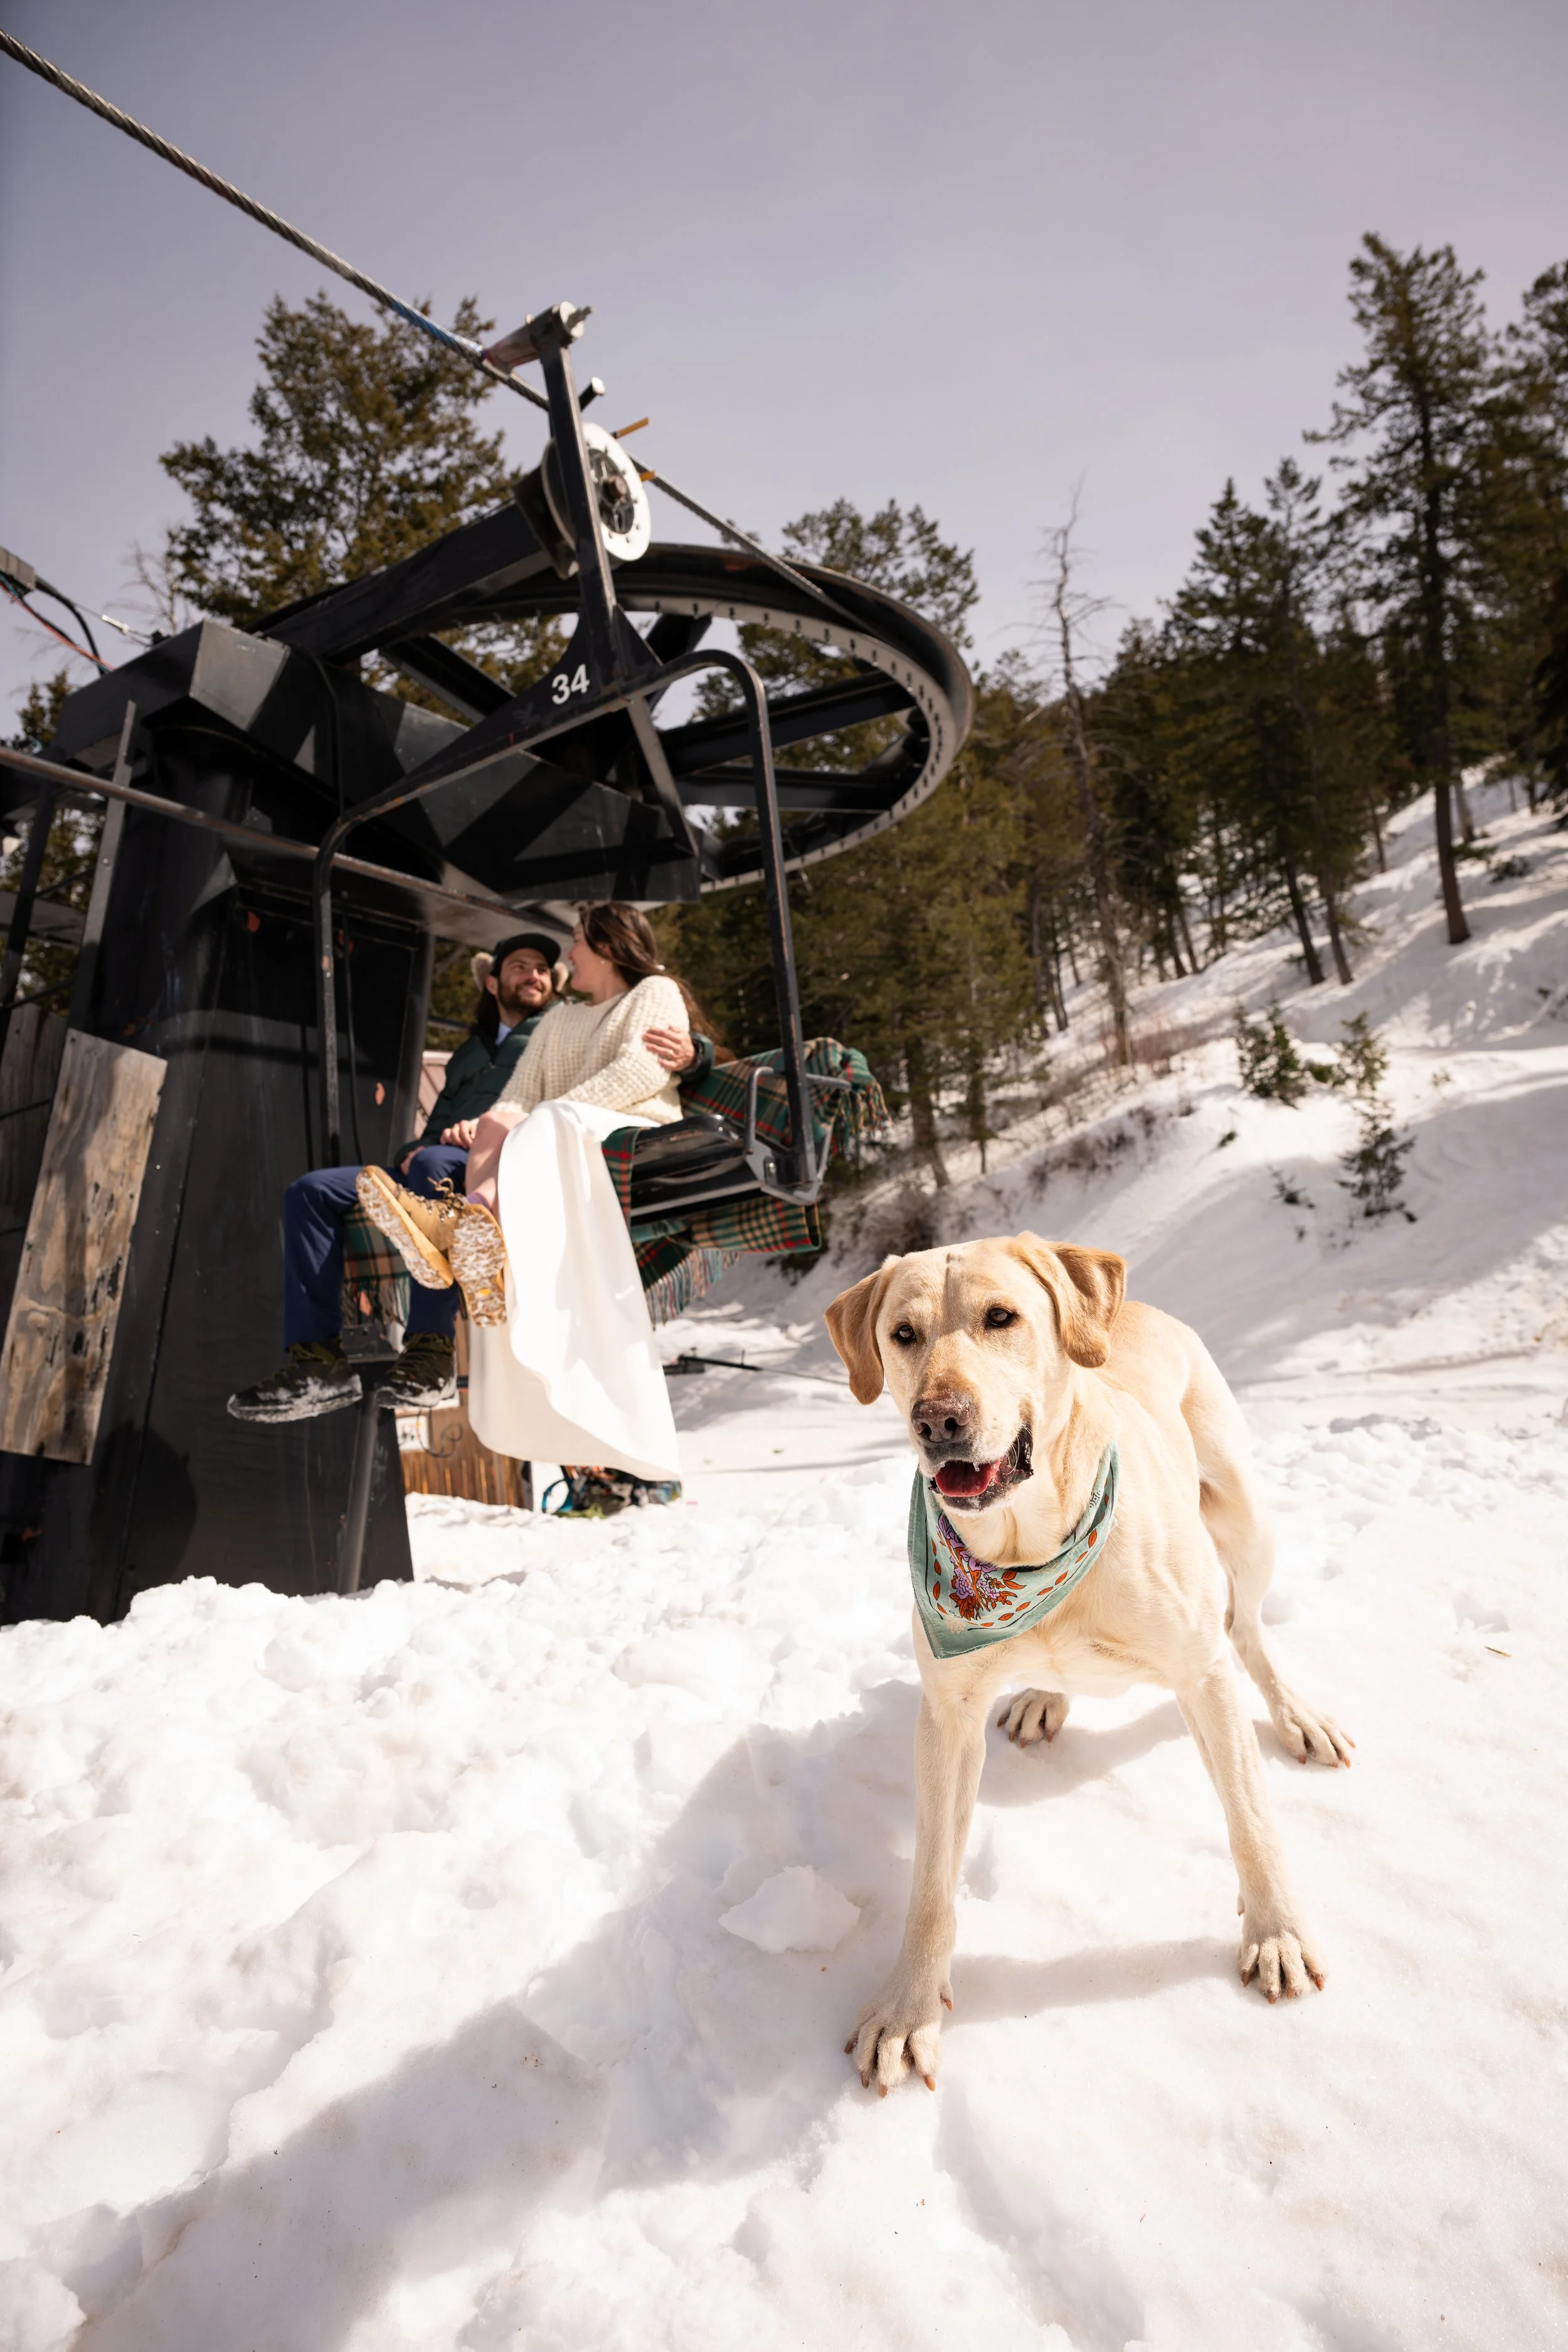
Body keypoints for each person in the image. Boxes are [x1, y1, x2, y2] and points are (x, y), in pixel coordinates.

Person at [227, 929, 707, 1422]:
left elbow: (634, 1048)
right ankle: (317, 1365)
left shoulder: (562, 1027)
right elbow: (433, 1129)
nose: (535, 975)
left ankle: (429, 1353)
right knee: (311, 1191)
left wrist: (697, 1053)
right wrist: (413, 1150)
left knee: (435, 1169)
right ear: (493, 984)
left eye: (544, 969)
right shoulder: (469, 1055)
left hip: (509, 1157)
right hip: (446, 1156)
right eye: (520, 966)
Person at [359, 902, 702, 1483]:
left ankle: (463, 1233)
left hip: (629, 1124)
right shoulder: (560, 1020)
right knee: (500, 1124)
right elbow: (517, 1094)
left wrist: (544, 1113)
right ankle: (477, 1240)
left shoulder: (655, 992)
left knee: (537, 1126)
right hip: (566, 1127)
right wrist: (502, 1119)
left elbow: (641, 1072)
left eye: (577, 943)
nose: (569, 955)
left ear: (609, 947)